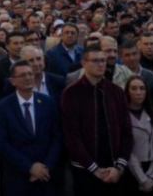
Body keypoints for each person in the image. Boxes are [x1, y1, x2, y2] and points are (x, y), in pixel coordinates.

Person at [61, 45, 132, 195]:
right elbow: (71, 134)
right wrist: (93, 168)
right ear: (84, 63)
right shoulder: (71, 93)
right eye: (95, 61)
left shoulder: (116, 92)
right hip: (85, 169)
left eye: (103, 60)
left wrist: (119, 166)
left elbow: (126, 130)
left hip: (114, 167)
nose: (100, 64)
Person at [0, 60, 61, 196]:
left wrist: (46, 166)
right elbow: (2, 142)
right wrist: (29, 167)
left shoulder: (47, 102)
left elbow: (56, 137)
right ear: (13, 81)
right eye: (23, 75)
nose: (28, 78)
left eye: (30, 74)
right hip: (17, 178)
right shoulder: (3, 107)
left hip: (46, 175)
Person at [123, 76, 153, 196]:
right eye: (134, 88)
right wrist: (143, 179)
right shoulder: (122, 116)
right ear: (128, 92)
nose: (138, 92)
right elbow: (127, 150)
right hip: (131, 171)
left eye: (142, 88)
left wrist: (152, 175)